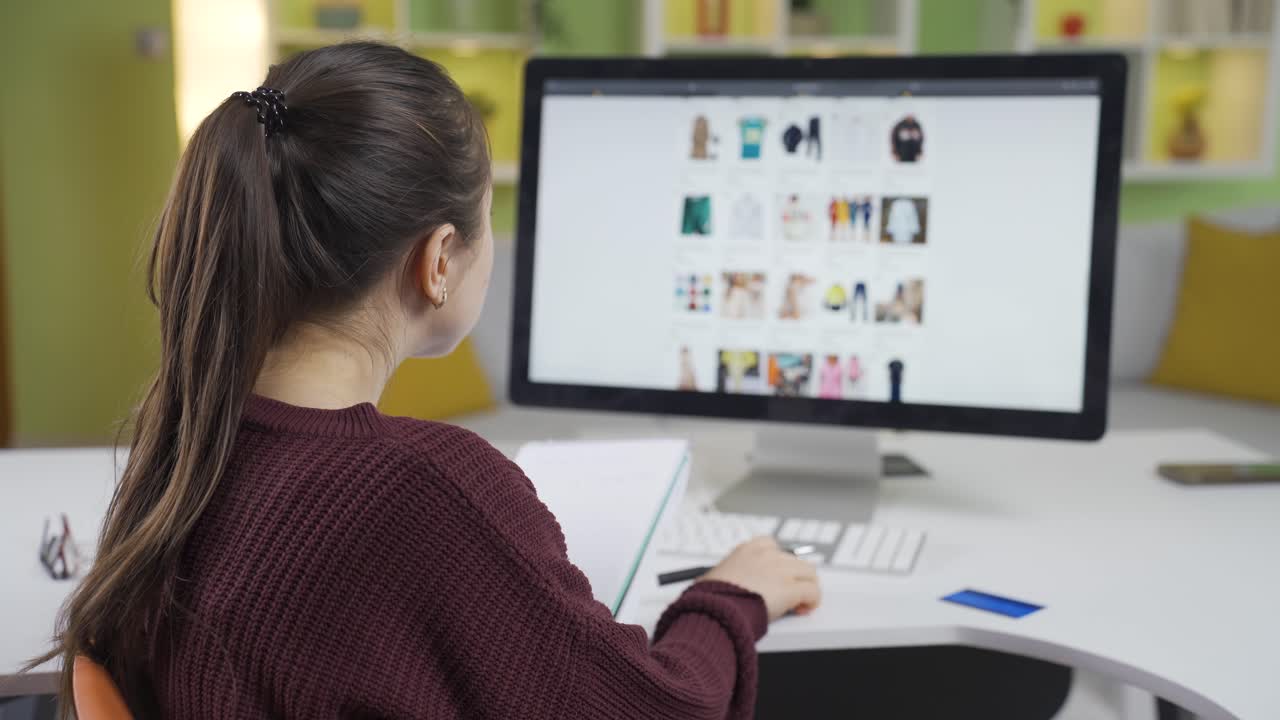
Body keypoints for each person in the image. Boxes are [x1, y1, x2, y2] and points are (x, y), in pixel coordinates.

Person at [31, 43, 820, 719]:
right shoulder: (425, 490)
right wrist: (731, 596)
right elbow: (662, 708)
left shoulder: (187, 443)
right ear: (440, 260)